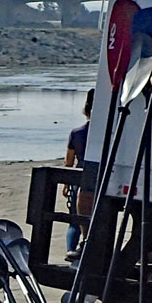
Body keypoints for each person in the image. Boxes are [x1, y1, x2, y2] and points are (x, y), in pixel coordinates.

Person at [63, 88, 95, 261]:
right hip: (99, 178)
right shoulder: (107, 134)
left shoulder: (76, 133)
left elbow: (69, 162)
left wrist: (66, 184)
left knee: (74, 220)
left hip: (79, 178)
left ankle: (71, 250)